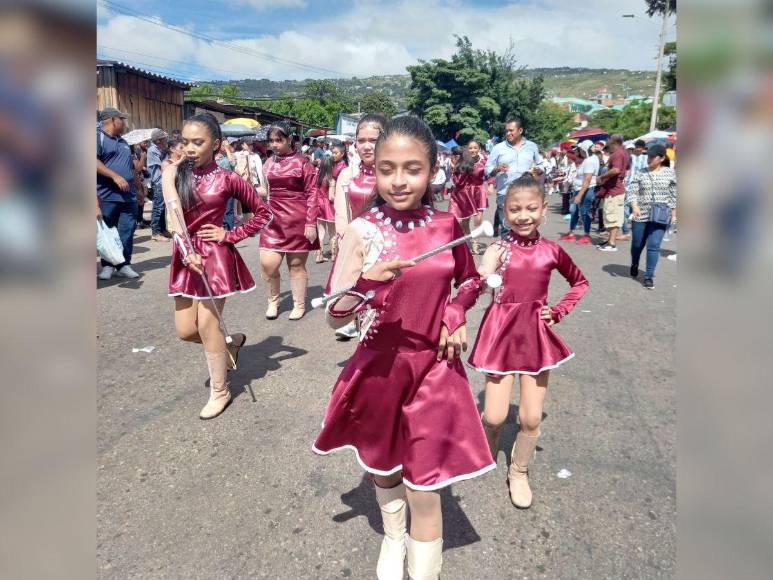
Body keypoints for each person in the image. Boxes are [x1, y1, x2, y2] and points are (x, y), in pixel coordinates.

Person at [313, 116, 494, 580]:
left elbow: (470, 279)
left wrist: (454, 314)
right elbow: (335, 315)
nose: (398, 180)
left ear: (433, 169)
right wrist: (365, 285)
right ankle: (394, 538)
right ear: (372, 169)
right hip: (379, 367)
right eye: (386, 168)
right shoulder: (361, 230)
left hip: (435, 368)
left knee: (425, 484)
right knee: (385, 468)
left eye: (412, 169)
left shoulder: (446, 223)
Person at [468, 172, 589, 509]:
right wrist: (480, 274)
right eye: (515, 210)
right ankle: (488, 445)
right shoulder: (498, 248)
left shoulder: (551, 251)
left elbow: (579, 282)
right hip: (500, 335)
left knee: (530, 419)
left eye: (531, 209)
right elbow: (479, 279)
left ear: (543, 209)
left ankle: (519, 471)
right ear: (504, 212)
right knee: (493, 416)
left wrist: (560, 310)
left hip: (535, 336)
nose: (523, 216)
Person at [161, 113, 273, 419]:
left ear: (216, 144)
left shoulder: (228, 179)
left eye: (199, 142)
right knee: (186, 331)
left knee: (208, 324)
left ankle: (220, 391)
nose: (190, 148)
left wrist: (231, 234)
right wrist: (186, 250)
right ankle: (230, 343)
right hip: (186, 255)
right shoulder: (173, 173)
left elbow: (264, 213)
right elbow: (173, 217)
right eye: (185, 141)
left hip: (215, 257)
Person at [330, 114, 387, 341]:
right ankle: (358, 327)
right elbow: (342, 211)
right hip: (356, 246)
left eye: (372, 140)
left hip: (387, 246)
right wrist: (343, 237)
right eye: (361, 140)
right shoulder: (348, 173)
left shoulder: (393, 173)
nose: (366, 146)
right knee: (357, 291)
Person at [259, 121, 319, 320]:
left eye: (279, 140)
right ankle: (273, 301)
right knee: (268, 265)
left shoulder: (303, 163)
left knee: (296, 266)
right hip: (273, 220)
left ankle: (299, 304)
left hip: (297, 220)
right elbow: (264, 192)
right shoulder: (268, 163)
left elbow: (312, 193)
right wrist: (246, 188)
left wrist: (311, 223)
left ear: (289, 139)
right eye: (271, 140)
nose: (274, 144)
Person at [96, 107, 140, 280]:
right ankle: (107, 266)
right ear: (113, 120)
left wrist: (140, 188)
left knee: (126, 231)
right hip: (107, 196)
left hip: (129, 196)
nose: (124, 122)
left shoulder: (123, 142)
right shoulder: (97, 137)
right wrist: (115, 176)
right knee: (108, 233)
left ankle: (124, 264)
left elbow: (131, 168)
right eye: (122, 119)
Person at [485, 117, 546, 237]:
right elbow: (487, 169)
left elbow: (541, 165)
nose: (508, 133)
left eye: (511, 130)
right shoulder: (498, 148)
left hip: (527, 192)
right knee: (507, 227)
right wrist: (497, 169)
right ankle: (506, 253)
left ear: (520, 130)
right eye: (507, 131)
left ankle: (522, 252)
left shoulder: (532, 146)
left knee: (524, 226)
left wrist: (539, 170)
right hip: (505, 193)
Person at [629, 143, 677, 289]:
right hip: (641, 214)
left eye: (652, 157)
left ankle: (649, 276)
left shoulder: (670, 173)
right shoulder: (640, 172)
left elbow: (674, 195)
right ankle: (635, 262)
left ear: (661, 158)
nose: (648, 159)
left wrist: (674, 214)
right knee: (637, 244)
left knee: (654, 246)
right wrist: (634, 206)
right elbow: (633, 192)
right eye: (647, 156)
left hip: (661, 214)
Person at [449, 140, 487, 254]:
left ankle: (474, 244)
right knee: (464, 223)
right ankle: (468, 243)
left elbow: (490, 173)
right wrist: (454, 167)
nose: (473, 150)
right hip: (467, 194)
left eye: (475, 147)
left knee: (478, 222)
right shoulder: (463, 162)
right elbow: (458, 181)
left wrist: (491, 182)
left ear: (479, 149)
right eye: (470, 148)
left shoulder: (484, 161)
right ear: (467, 150)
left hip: (479, 192)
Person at [558, 141, 599, 245]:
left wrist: (580, 195)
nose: (578, 152)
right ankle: (571, 232)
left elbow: (587, 180)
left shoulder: (589, 161)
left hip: (585, 190)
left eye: (579, 149)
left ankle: (586, 235)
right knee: (574, 211)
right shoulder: (589, 159)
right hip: (581, 189)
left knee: (584, 212)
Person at [595, 134, 629, 252]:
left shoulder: (617, 154)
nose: (607, 142)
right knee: (611, 216)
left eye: (608, 140)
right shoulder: (623, 152)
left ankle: (612, 243)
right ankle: (610, 240)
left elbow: (616, 170)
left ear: (613, 141)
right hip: (615, 189)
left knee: (612, 217)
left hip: (614, 190)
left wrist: (602, 176)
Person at [315, 142, 348, 263]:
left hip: (319, 207)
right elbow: (331, 197)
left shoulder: (318, 178)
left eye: (335, 153)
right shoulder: (332, 178)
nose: (334, 156)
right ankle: (334, 255)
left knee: (321, 233)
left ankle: (319, 255)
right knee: (333, 233)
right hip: (330, 208)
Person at [621, 139, 648, 240]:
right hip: (629, 186)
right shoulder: (630, 157)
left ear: (643, 148)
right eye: (636, 147)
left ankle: (637, 232)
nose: (638, 149)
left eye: (640, 148)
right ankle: (626, 232)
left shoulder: (646, 158)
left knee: (638, 210)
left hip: (641, 187)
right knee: (625, 210)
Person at [147, 128, 170, 242]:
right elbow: (162, 165)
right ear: (158, 140)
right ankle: (155, 232)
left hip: (163, 181)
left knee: (163, 207)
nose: (166, 140)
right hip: (158, 182)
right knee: (158, 207)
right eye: (164, 138)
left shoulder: (161, 149)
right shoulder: (153, 150)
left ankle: (162, 229)